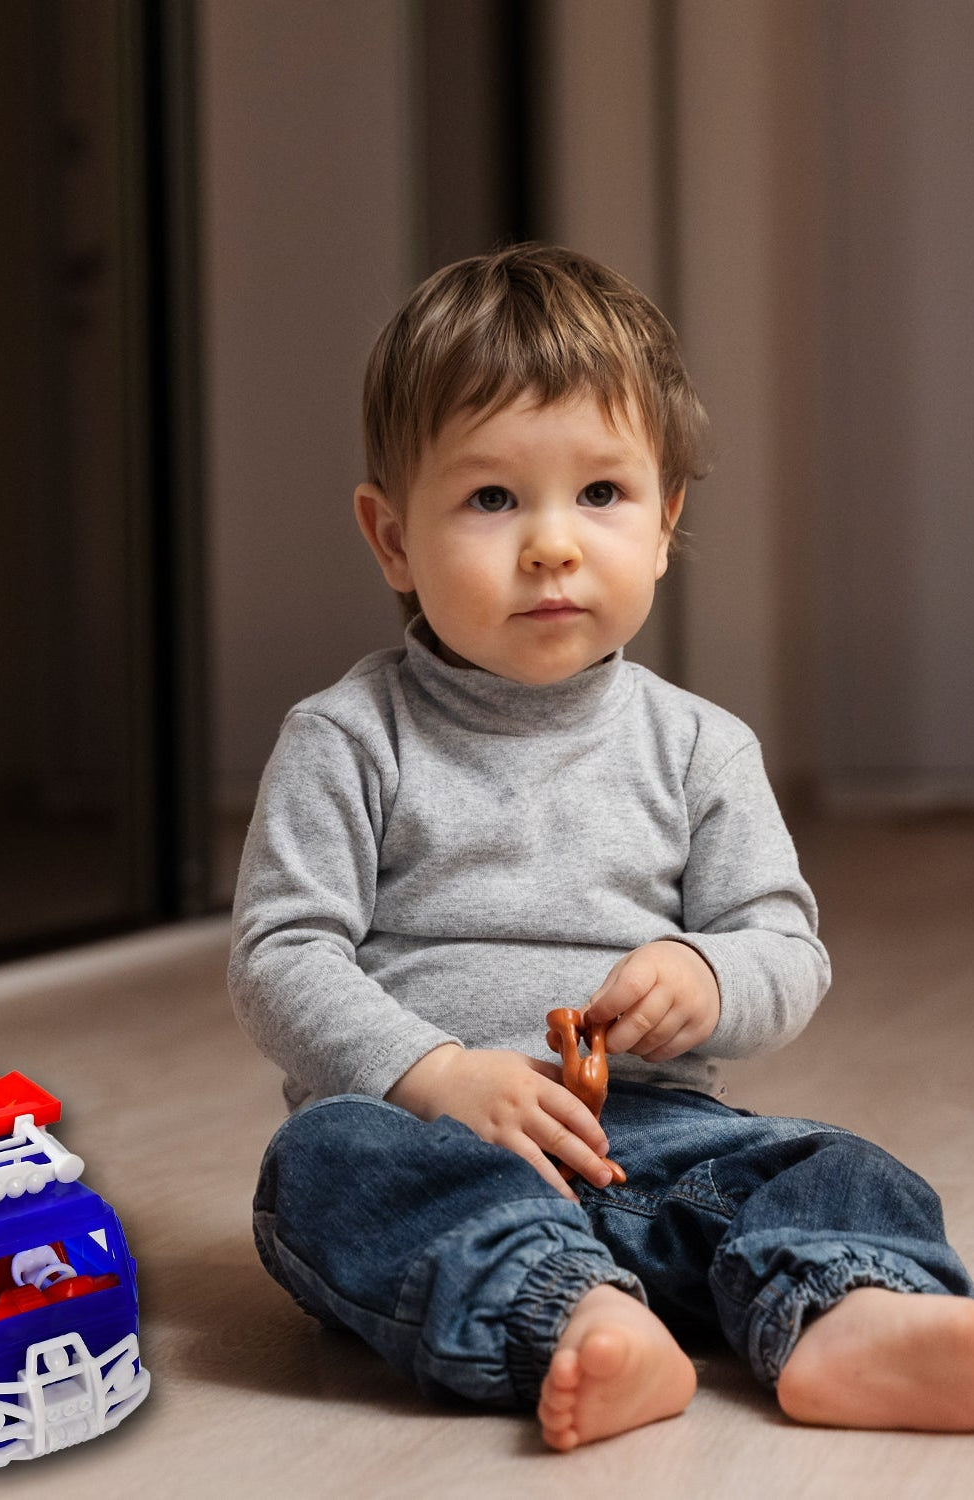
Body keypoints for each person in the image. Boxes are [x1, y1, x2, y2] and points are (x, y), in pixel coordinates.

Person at [228, 244, 974, 1451]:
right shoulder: (346, 738)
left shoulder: (698, 747)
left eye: (599, 495)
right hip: (440, 1142)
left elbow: (783, 945)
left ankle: (849, 1317)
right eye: (489, 499)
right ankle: (572, 1316)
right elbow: (280, 956)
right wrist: (431, 1073)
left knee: (832, 1164)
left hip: (658, 1140)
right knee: (320, 1166)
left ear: (667, 520)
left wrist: (707, 974)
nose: (549, 545)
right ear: (390, 539)